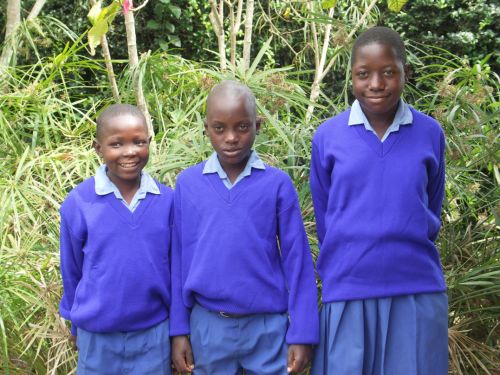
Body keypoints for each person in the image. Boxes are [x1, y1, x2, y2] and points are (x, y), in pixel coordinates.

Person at [310, 26, 448, 374]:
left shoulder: (430, 133)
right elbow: (327, 217)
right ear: (352, 77)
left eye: (388, 72)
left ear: (405, 73)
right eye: (363, 74)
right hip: (348, 289)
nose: (376, 83)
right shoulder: (328, 137)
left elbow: (431, 206)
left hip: (415, 290)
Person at [170, 80, 319, 375]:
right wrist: (178, 329)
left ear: (257, 125)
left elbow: (297, 261)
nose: (231, 138)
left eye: (242, 127)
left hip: (268, 327)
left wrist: (303, 332)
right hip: (208, 328)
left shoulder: (277, 184)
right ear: (206, 128)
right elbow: (178, 260)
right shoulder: (188, 185)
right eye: (219, 128)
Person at [59, 104, 173, 374]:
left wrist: (178, 329)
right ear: (98, 148)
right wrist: (76, 324)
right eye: (116, 144)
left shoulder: (167, 201)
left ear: (150, 142)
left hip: (154, 335)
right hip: (97, 338)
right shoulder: (79, 202)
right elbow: (71, 270)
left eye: (138, 142)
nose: (129, 152)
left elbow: (176, 270)